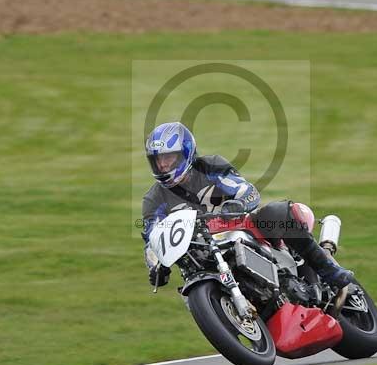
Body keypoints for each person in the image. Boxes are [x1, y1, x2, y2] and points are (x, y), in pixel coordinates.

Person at [141, 121, 355, 289]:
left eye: (168, 157)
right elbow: (152, 239)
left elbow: (244, 189)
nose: (163, 165)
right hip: (202, 252)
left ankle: (328, 270)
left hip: (240, 228)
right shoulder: (154, 199)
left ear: (185, 153)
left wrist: (237, 204)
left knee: (277, 212)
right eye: (157, 160)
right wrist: (155, 265)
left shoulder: (209, 166)